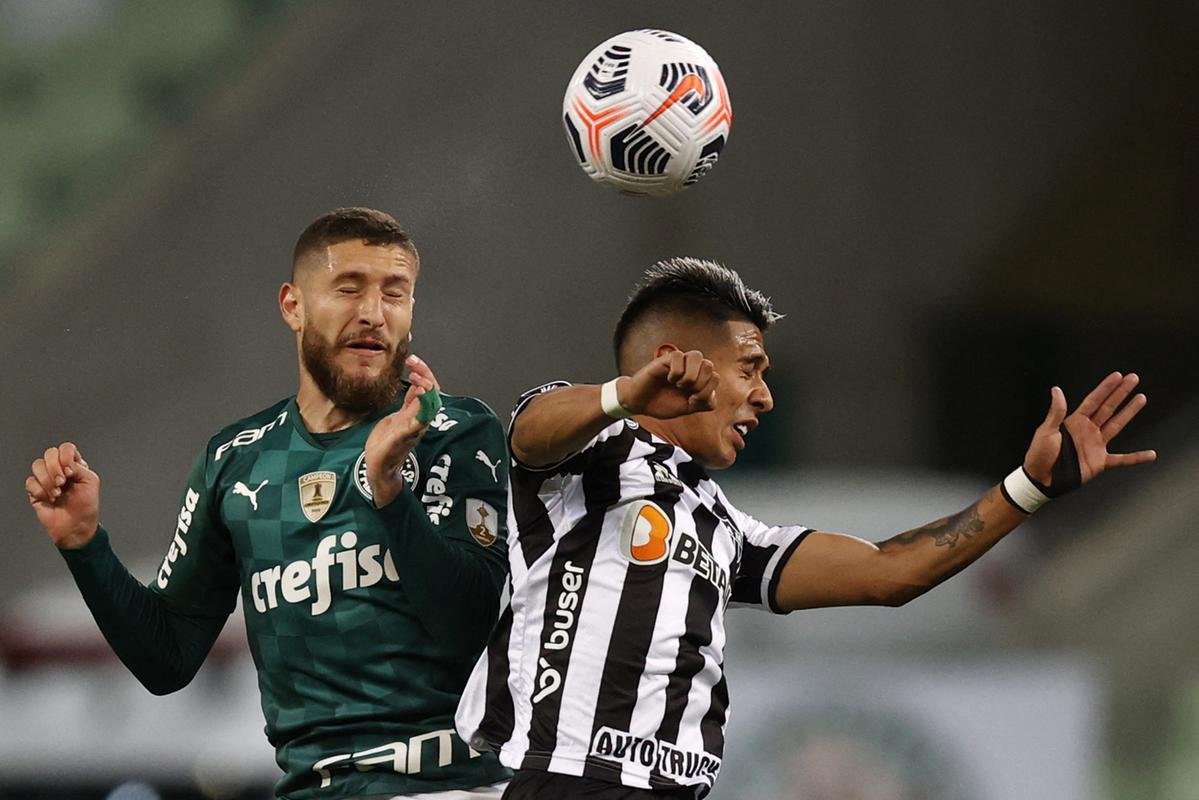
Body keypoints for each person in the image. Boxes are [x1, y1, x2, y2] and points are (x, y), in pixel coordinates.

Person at [455, 257, 1157, 799]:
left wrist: (1027, 488)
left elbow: (889, 573)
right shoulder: (587, 455)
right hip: (561, 777)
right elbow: (529, 434)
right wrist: (623, 395)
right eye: (749, 368)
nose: (763, 396)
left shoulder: (724, 529)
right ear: (676, 359)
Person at [25, 208, 512, 799]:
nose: (373, 314)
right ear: (293, 306)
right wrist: (85, 546)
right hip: (310, 788)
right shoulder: (235, 460)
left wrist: (388, 491)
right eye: (349, 288)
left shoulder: (453, 430)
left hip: (446, 783)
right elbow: (167, 657)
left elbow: (467, 625)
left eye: (395, 293)